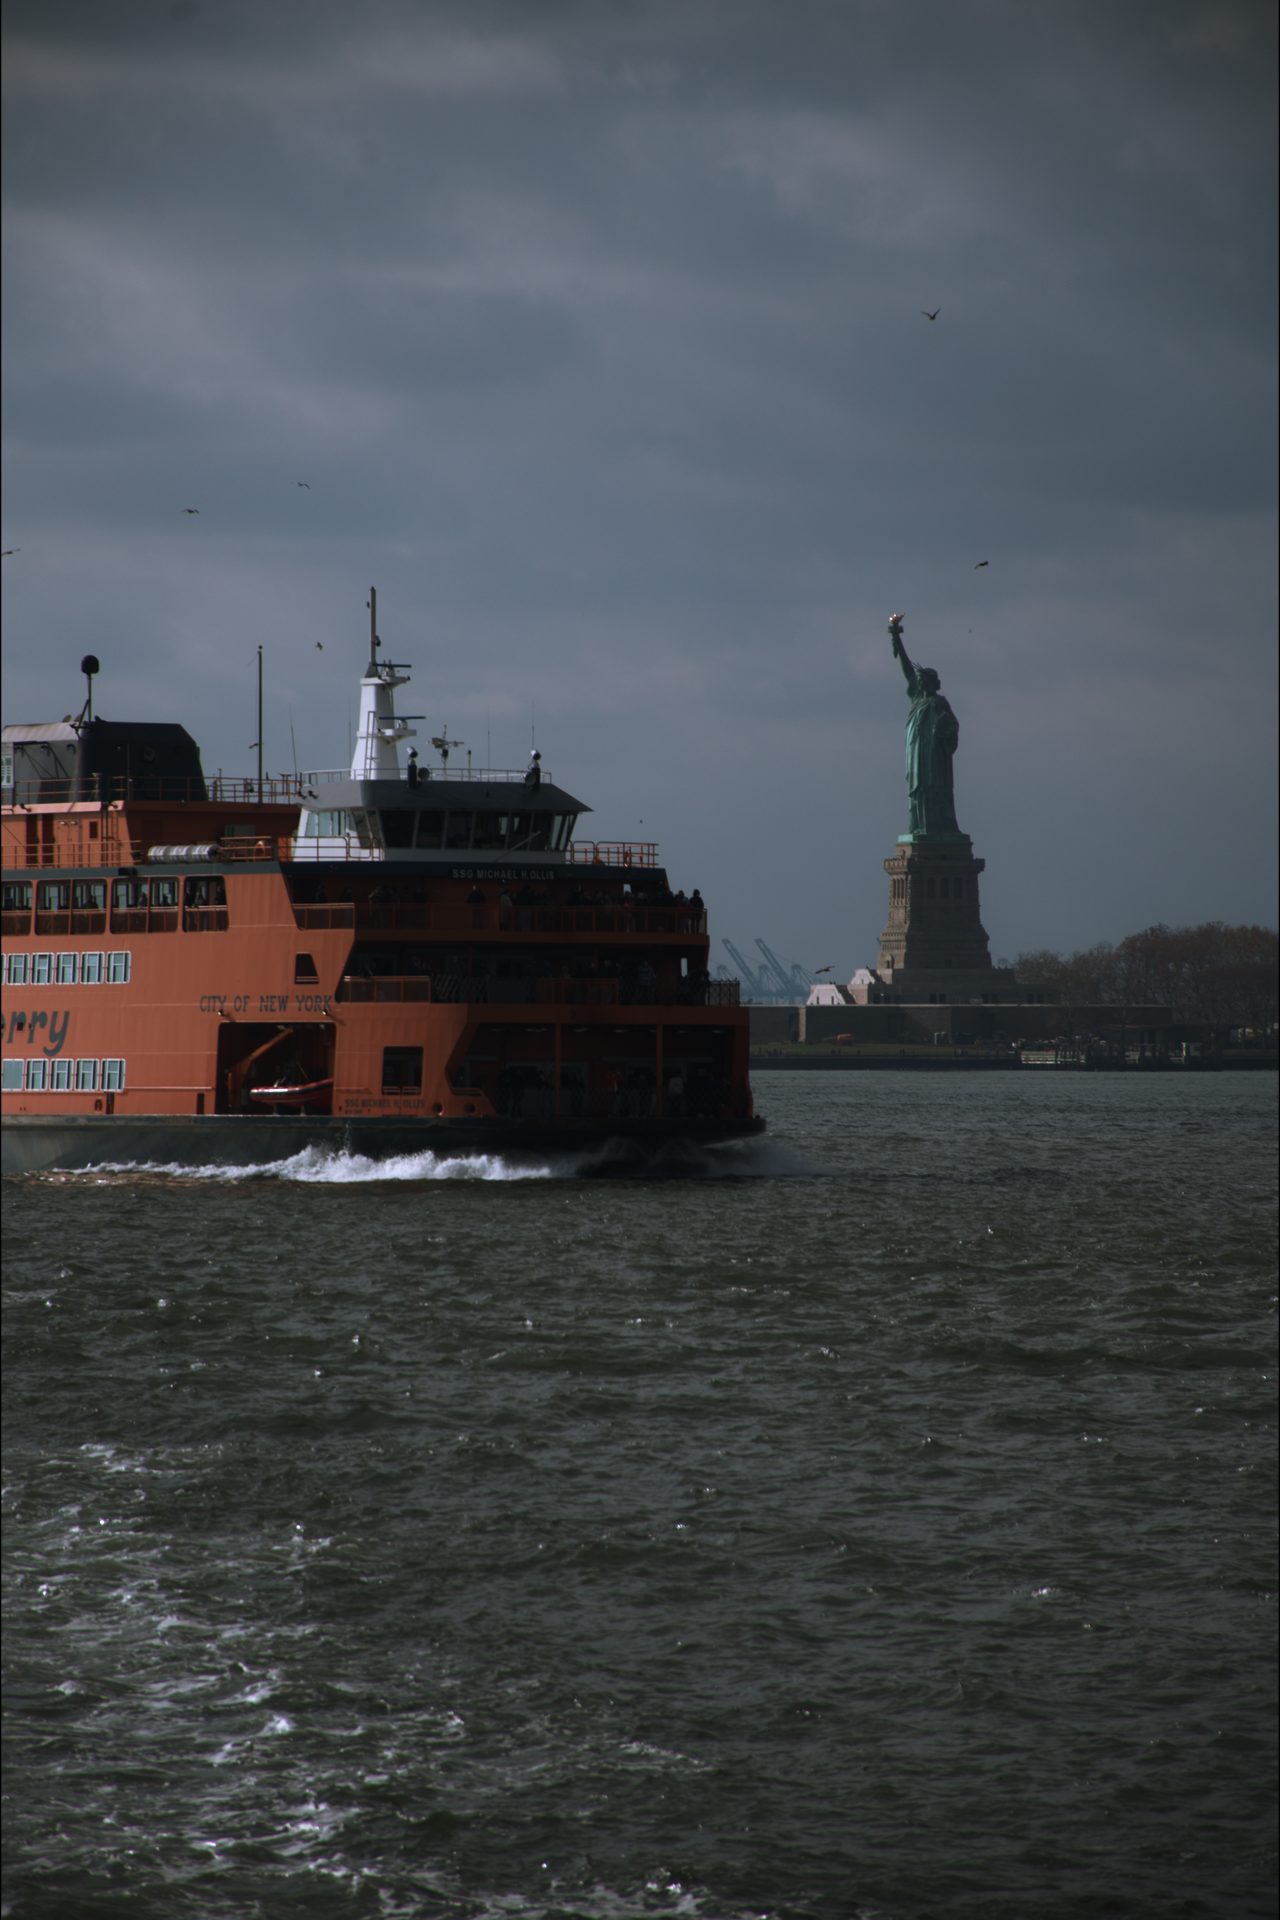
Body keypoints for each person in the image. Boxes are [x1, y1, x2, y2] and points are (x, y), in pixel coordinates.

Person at [888, 613, 962, 838]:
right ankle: (918, 825)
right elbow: (907, 669)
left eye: (922, 682)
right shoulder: (918, 699)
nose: (918, 683)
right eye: (918, 682)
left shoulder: (940, 704)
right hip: (916, 756)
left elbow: (953, 727)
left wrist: (941, 730)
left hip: (935, 760)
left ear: (931, 683)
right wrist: (896, 638)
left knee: (934, 791)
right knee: (917, 791)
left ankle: (938, 828)